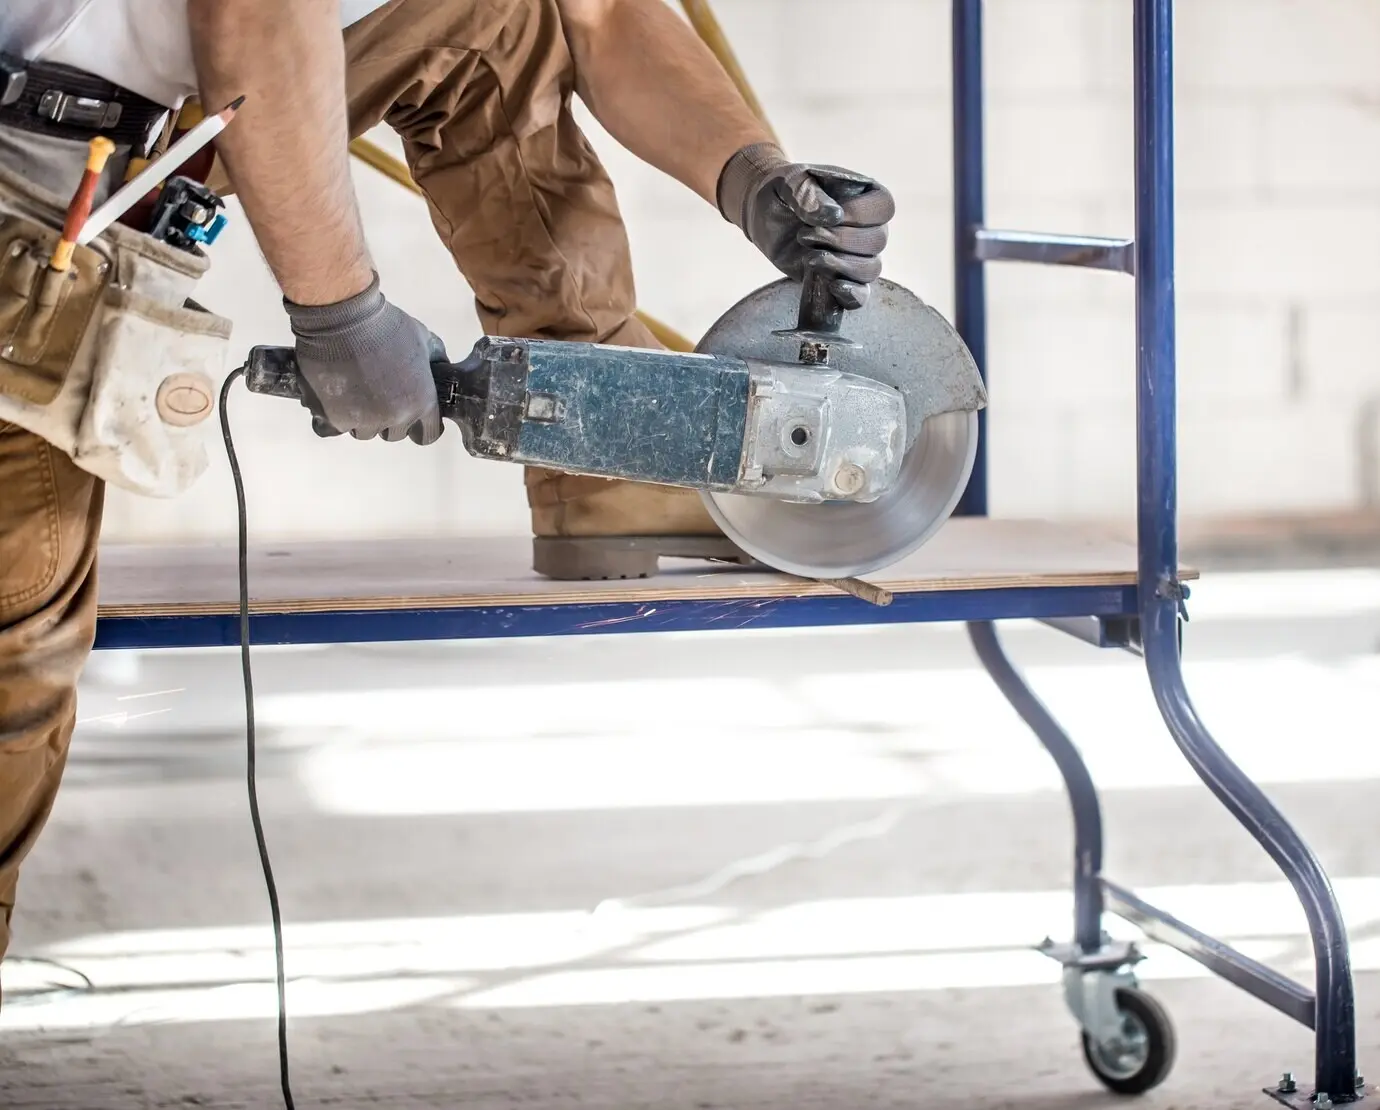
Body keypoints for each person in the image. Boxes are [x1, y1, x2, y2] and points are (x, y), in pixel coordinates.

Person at [0, 0, 893, 987]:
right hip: (28, 166)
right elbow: (253, 17)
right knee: (16, 651)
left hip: (138, 131)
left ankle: (596, 468)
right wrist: (339, 316)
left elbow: (599, 15)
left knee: (495, 22)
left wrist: (758, 181)